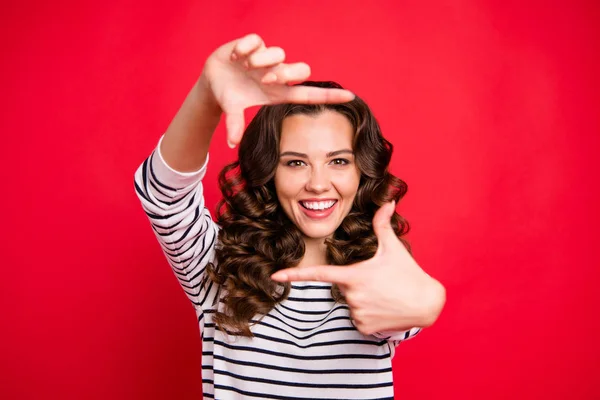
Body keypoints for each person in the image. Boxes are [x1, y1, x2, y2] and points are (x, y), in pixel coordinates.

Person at [134, 33, 446, 400]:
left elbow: (412, 300)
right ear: (270, 171)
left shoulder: (374, 275)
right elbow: (163, 195)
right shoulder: (217, 266)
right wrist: (206, 95)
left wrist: (429, 302)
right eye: (296, 162)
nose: (317, 184)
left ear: (362, 171)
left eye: (339, 161)